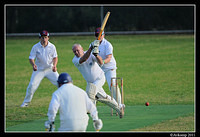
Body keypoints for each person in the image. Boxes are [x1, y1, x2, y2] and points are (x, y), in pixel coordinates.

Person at [72, 42, 124, 118]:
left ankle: (86, 111)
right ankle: (119, 108)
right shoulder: (75, 60)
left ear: (82, 49)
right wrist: (91, 48)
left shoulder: (90, 54)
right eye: (74, 51)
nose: (76, 52)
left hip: (99, 78)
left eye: (77, 50)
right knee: (104, 98)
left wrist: (96, 55)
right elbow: (84, 59)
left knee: (90, 92)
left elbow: (101, 63)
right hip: (91, 82)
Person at [20, 30, 59, 107]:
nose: (44, 39)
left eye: (45, 37)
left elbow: (55, 57)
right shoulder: (35, 47)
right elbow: (31, 58)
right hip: (39, 70)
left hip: (50, 69)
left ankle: (66, 100)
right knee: (32, 85)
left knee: (61, 83)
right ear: (39, 38)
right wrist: (33, 65)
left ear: (48, 38)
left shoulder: (52, 46)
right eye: (42, 38)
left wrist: (54, 65)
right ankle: (26, 103)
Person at [93, 27, 124, 107]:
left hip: (109, 68)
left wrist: (102, 62)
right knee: (94, 85)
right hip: (99, 68)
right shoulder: (93, 44)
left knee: (112, 85)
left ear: (104, 35)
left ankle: (120, 105)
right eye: (97, 35)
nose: (98, 37)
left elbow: (109, 58)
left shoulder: (108, 45)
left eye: (100, 35)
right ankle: (93, 104)